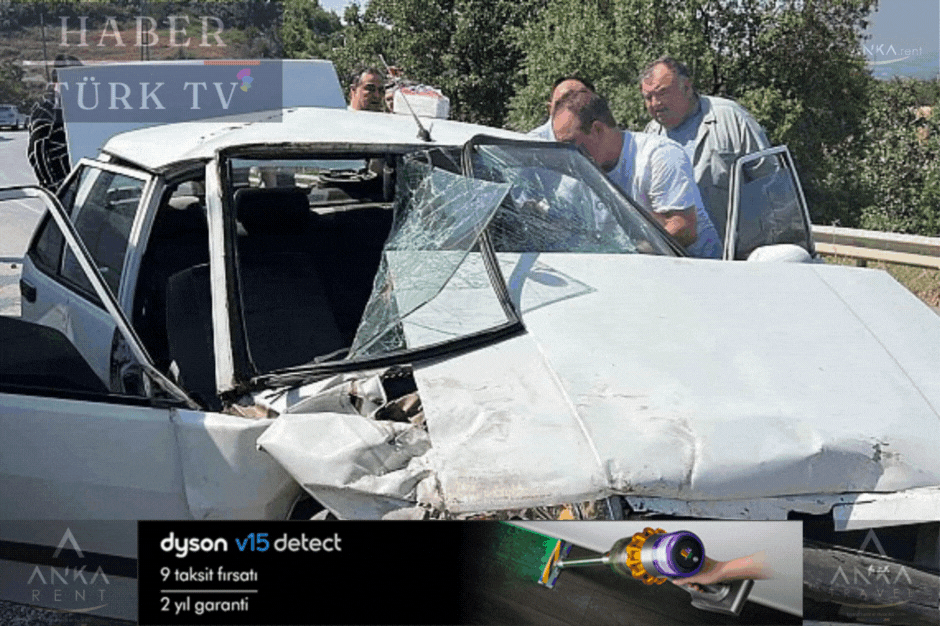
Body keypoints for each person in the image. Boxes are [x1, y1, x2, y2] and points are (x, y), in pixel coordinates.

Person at [552, 90, 721, 258]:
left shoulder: (659, 155)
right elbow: (563, 225)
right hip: (624, 265)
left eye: (570, 143)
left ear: (597, 129)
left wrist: (624, 254)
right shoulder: (575, 170)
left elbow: (684, 228)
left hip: (692, 265)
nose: (566, 152)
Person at [640, 56, 770, 241]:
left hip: (737, 250)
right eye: (648, 97)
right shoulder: (650, 136)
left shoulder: (731, 119)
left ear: (686, 87)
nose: (655, 104)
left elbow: (770, 184)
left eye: (662, 93)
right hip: (681, 252)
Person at [528, 75, 595, 141]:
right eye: (562, 104)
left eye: (579, 102)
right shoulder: (531, 143)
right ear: (550, 108)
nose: (569, 110)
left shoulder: (598, 141)